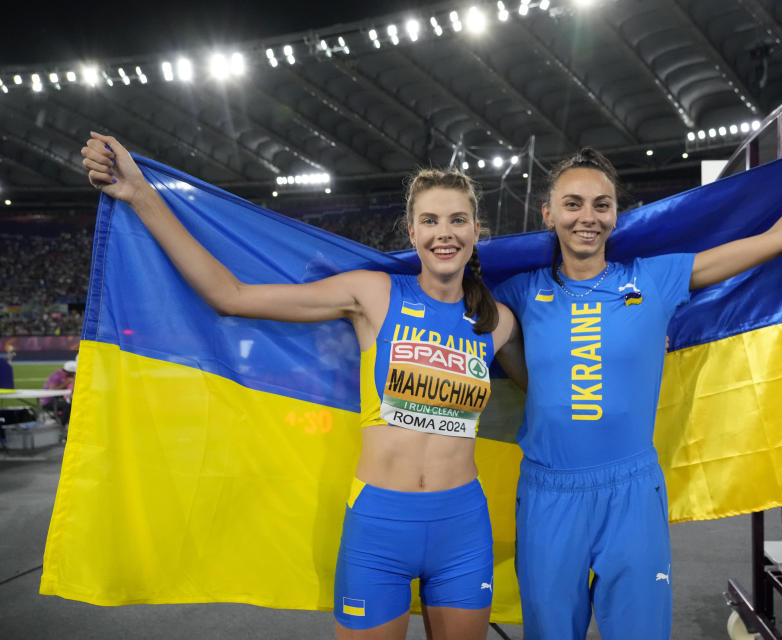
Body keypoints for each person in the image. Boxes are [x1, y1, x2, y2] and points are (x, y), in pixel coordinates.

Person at [81, 131, 522, 640]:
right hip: (379, 529)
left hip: (463, 528)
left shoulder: (498, 322)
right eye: (430, 220)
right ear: (411, 230)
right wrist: (141, 194)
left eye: (457, 220)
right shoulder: (372, 295)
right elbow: (232, 295)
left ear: (476, 230)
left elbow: (553, 385)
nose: (444, 233)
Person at [495, 104, 782, 639]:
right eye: (572, 204)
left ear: (616, 214)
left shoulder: (657, 277)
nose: (588, 217)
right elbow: (478, 328)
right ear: (547, 213)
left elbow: (780, 239)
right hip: (548, 494)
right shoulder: (519, 291)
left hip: (631, 493)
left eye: (602, 205)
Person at [42, 360, 76, 425]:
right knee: (68, 406)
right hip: (49, 402)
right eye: (74, 372)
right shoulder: (57, 375)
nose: (75, 374)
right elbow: (52, 389)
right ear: (70, 371)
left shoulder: (65, 376)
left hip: (57, 399)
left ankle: (63, 421)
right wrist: (66, 383)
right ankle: (61, 424)